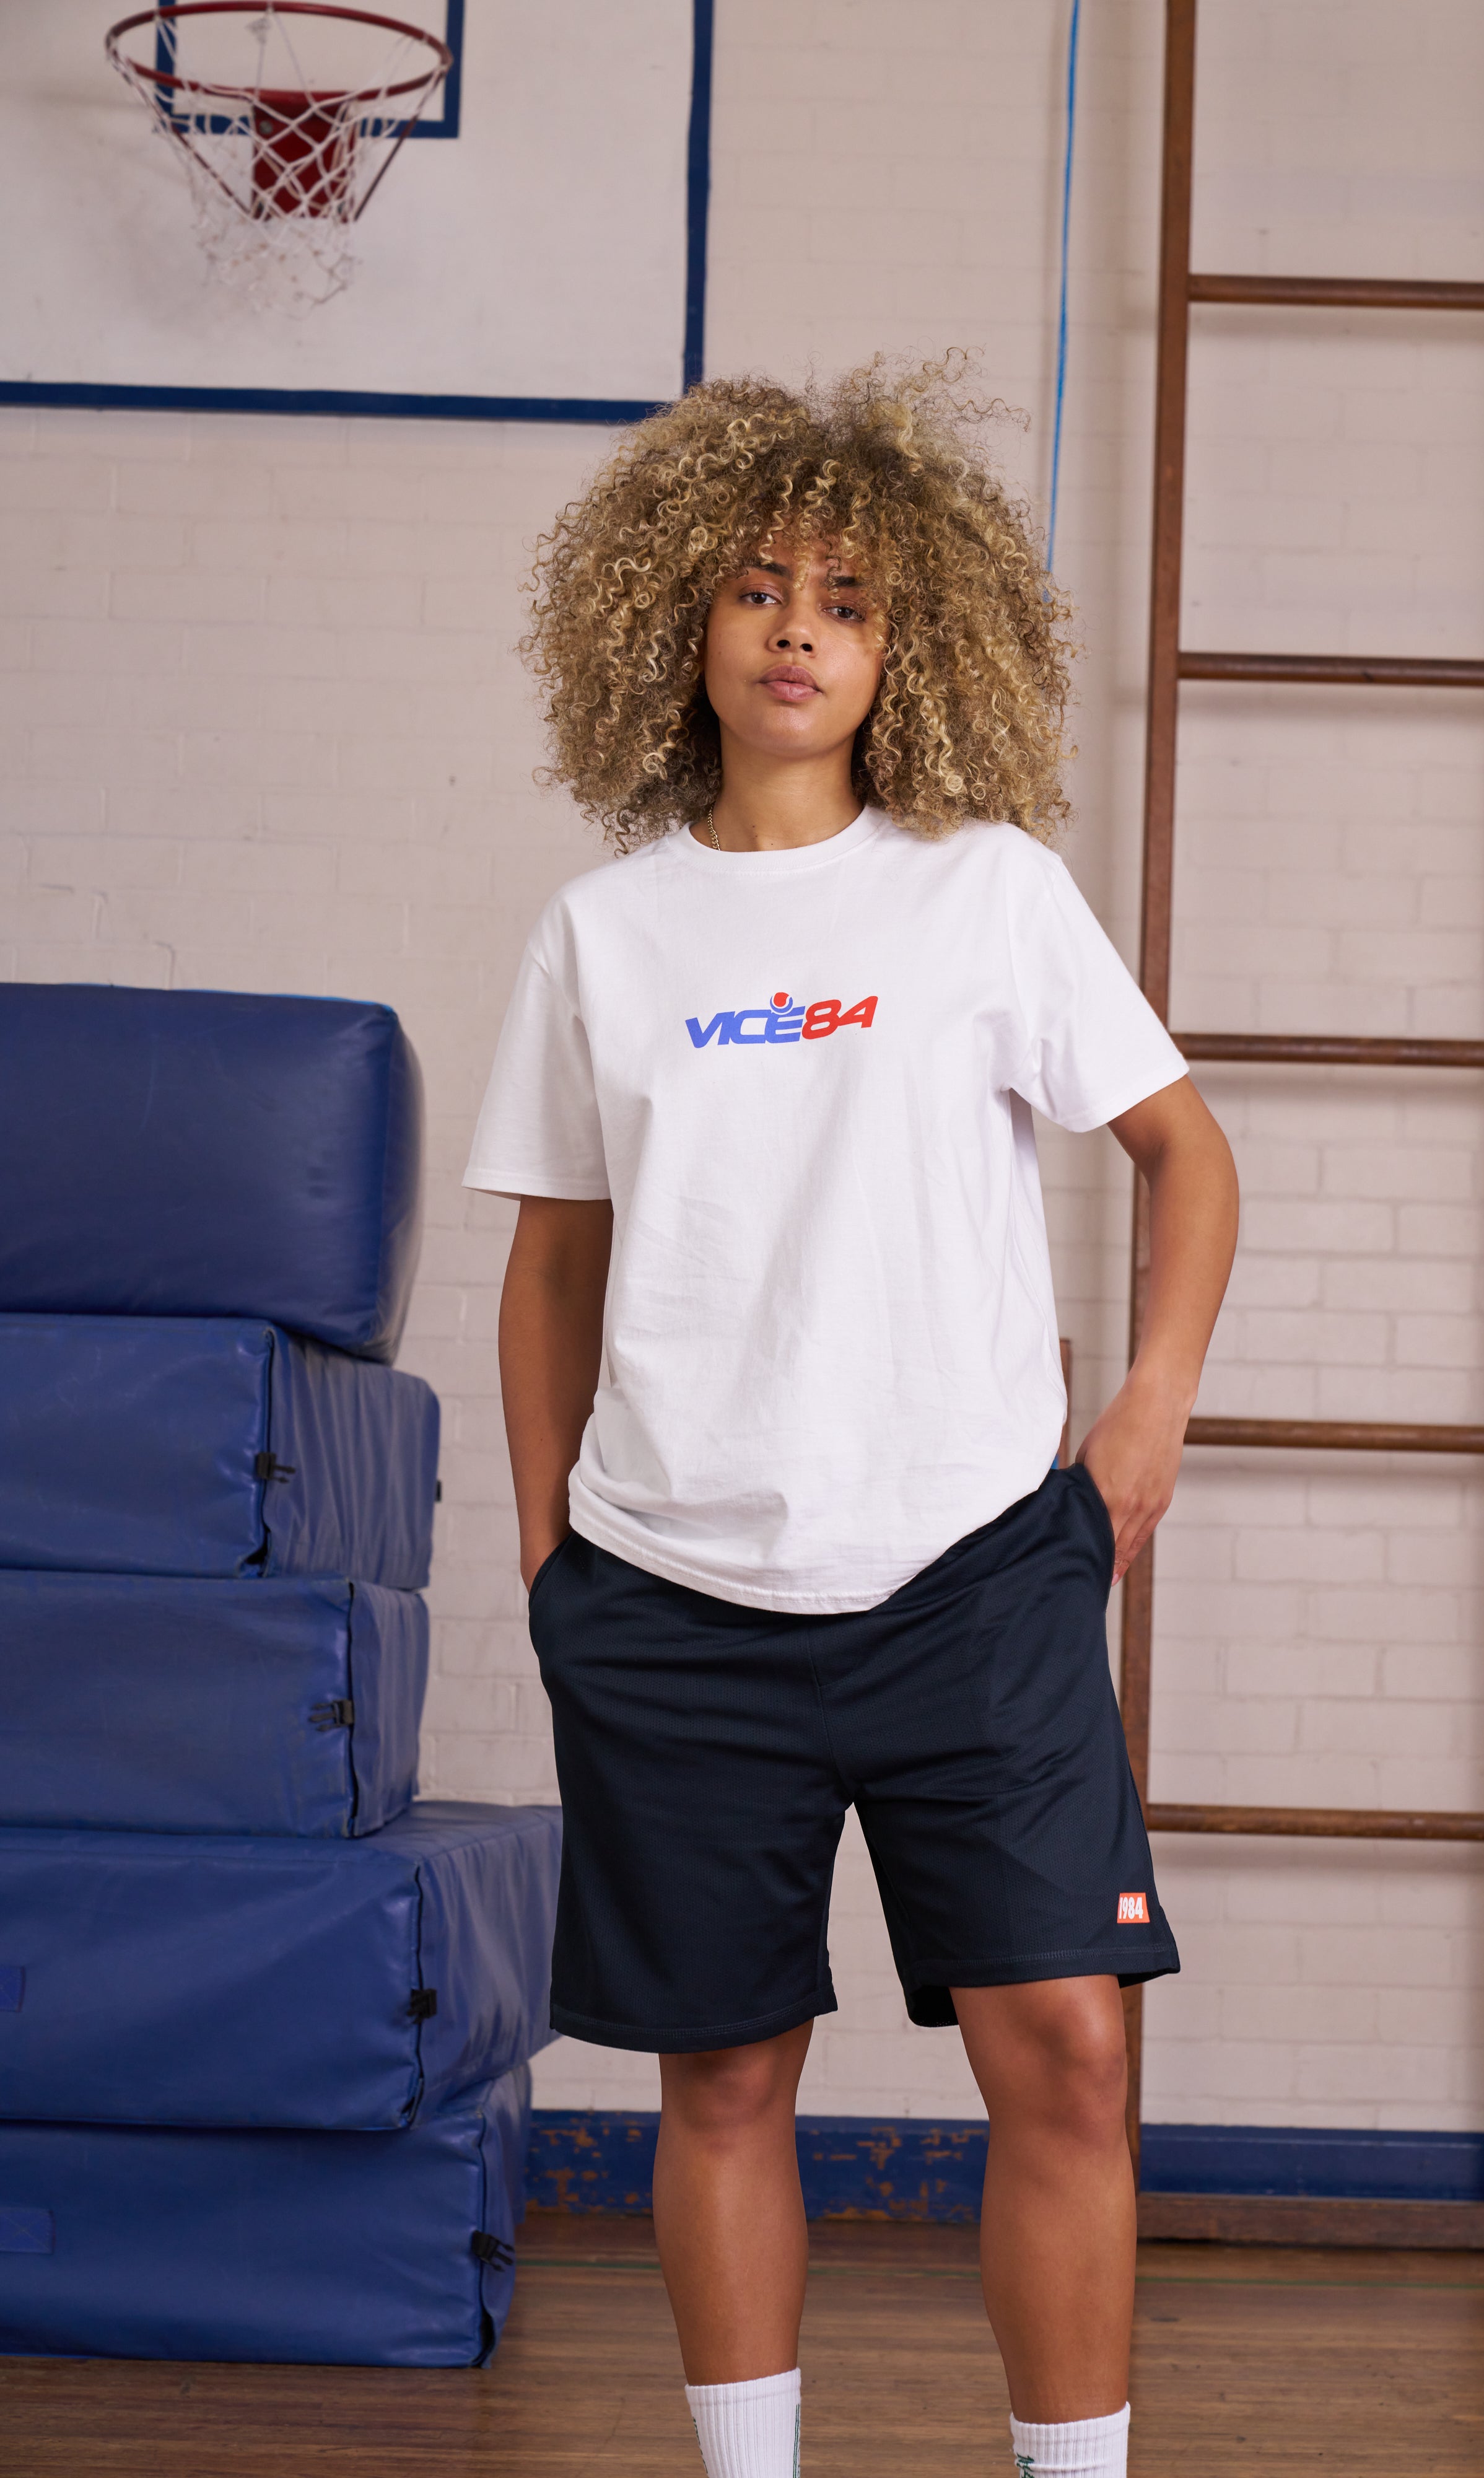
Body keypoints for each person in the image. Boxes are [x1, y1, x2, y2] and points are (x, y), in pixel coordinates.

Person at [465, 360, 1239, 2478]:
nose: (795, 630)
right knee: (721, 2078)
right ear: (678, 623)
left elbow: (1184, 1153)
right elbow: (551, 1268)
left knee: (1066, 2049)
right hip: (669, 1594)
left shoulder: (983, 892)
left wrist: (1148, 1410)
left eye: (847, 600)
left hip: (969, 1576)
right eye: (756, 588)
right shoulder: (603, 934)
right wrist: (547, 1558)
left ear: (913, 648)